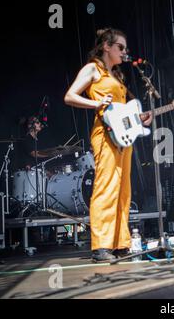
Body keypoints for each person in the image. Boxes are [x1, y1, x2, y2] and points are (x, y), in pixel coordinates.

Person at [64, 28, 152, 262]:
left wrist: (141, 118)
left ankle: (120, 243)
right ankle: (101, 245)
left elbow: (123, 112)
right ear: (106, 46)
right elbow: (70, 96)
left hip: (124, 137)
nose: (124, 52)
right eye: (120, 47)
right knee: (106, 187)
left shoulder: (117, 76)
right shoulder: (93, 69)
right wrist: (95, 103)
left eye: (125, 48)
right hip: (104, 134)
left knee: (124, 191)